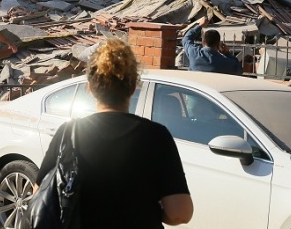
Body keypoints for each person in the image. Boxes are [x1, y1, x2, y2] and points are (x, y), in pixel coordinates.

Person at [33, 38, 193, 228]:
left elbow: (39, 196)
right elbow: (180, 213)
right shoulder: (157, 136)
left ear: (91, 89)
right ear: (133, 87)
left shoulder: (69, 133)